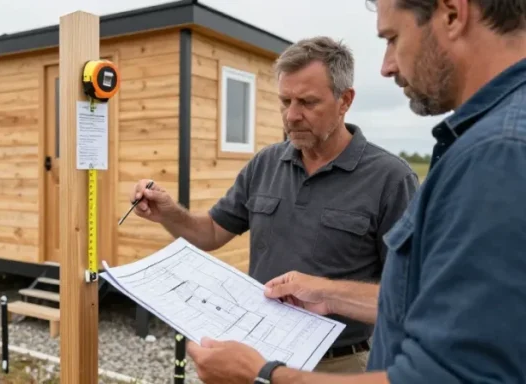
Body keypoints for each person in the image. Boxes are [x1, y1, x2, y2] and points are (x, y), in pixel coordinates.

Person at [185, 0, 526, 382]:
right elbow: (424, 300)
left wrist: (264, 376)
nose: (387, 65)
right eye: (285, 101)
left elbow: (455, 373)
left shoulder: (500, 151)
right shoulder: (493, 140)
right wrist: (329, 295)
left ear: (452, 14)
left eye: (392, 38)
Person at [129, 36, 419, 373]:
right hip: (257, 357)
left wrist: (329, 293)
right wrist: (169, 212)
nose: (292, 115)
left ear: (345, 101)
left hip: (340, 365)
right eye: (285, 101)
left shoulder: (391, 179)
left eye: (308, 102)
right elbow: (209, 233)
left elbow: (408, 295)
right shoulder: (265, 163)